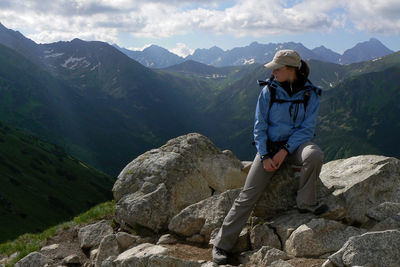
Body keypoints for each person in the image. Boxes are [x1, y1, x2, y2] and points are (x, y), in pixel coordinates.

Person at [212, 49, 327, 265]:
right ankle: (221, 244)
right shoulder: (269, 91)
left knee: (315, 154)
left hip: (295, 146)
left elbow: (307, 129)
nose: (273, 72)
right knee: (248, 195)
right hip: (269, 150)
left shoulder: (310, 94)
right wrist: (265, 155)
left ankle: (306, 202)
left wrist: (285, 151)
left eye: (277, 68)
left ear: (291, 69)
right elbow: (260, 126)